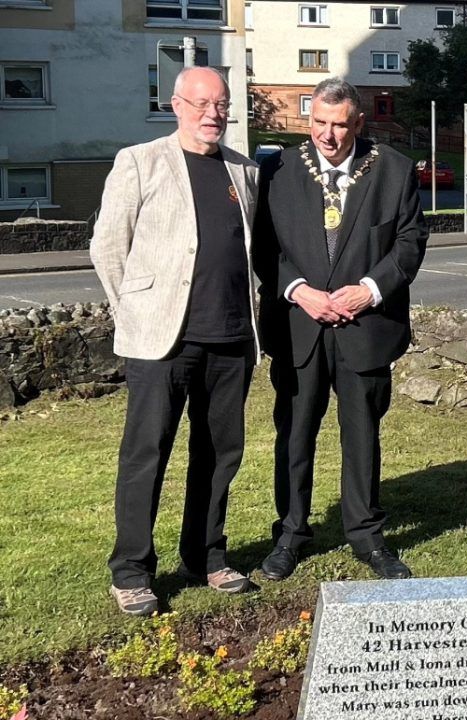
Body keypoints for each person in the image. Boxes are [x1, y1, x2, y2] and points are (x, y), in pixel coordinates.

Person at [90, 66, 259, 615]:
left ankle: (205, 556)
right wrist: (136, 312)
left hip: (231, 338)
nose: (213, 113)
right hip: (160, 343)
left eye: (222, 103)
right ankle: (132, 571)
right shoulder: (139, 161)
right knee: (147, 455)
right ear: (176, 105)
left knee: (219, 454)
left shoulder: (244, 170)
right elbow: (108, 248)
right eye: (202, 103)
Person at [253, 78, 428, 582]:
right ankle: (289, 535)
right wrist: (300, 290)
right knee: (294, 435)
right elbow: (263, 247)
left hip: (365, 325)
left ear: (358, 122)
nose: (328, 136)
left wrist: (369, 289)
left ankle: (368, 537)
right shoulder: (278, 169)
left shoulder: (392, 169)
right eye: (319, 124)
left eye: (339, 125)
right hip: (298, 325)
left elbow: (410, 242)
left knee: (362, 435)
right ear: (310, 120)